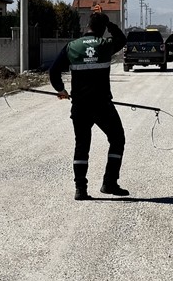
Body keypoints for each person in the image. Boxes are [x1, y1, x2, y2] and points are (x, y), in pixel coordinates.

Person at [49, 10, 129, 201]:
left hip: (80, 106)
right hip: (102, 105)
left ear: (87, 27)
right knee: (117, 139)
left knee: (82, 145)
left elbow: (53, 71)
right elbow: (122, 39)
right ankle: (109, 183)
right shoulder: (105, 45)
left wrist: (61, 90)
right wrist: (110, 24)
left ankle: (80, 189)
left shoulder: (72, 46)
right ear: (103, 30)